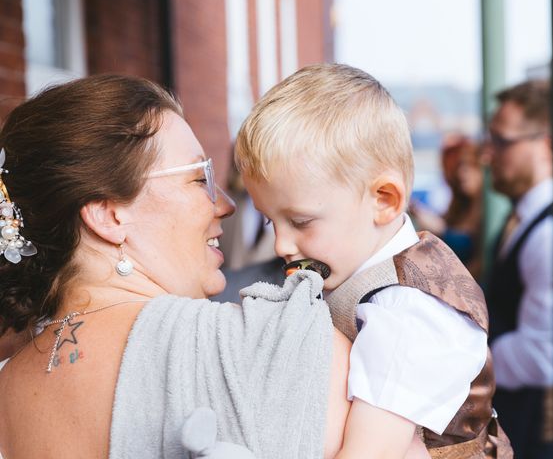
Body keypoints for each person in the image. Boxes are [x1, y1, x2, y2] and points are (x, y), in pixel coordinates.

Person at [0, 75, 356, 458]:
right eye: (198, 177)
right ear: (110, 216)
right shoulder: (270, 345)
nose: (225, 204)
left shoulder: (8, 385)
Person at [235, 63, 512, 458]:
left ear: (384, 200)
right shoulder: (375, 283)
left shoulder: (405, 314)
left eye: (300, 221)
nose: (281, 244)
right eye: (270, 221)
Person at [484, 79, 553, 458]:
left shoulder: (550, 232)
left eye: (501, 141)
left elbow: (542, 354)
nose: (488, 154)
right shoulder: (525, 219)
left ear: (544, 144)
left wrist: (469, 358)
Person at [410, 134, 484, 278]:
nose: (462, 173)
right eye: (459, 166)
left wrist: (440, 230)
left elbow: (479, 265)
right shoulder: (458, 206)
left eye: (470, 166)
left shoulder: (487, 213)